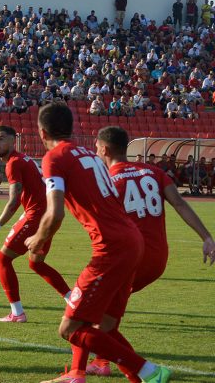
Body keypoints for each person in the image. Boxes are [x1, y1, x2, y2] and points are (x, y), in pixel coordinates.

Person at [24, 103, 172, 383]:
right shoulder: (87, 155)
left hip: (111, 248)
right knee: (103, 325)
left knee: (69, 327)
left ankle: (148, 371)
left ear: (41, 132)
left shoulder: (54, 157)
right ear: (72, 128)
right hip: (133, 241)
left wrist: (37, 239)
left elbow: (54, 213)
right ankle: (111, 376)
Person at [80, 127, 215, 379]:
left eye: (97, 146)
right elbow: (179, 203)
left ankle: (134, 372)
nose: (95, 150)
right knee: (106, 313)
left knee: (87, 314)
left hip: (130, 257)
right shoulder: (153, 171)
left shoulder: (109, 178)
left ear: (104, 149)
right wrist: (206, 237)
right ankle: (101, 362)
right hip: (158, 258)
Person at [0, 126, 71, 323]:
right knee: (36, 263)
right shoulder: (23, 159)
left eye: (1, 139)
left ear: (13, 141)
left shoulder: (13, 163)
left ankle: (17, 313)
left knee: (1, 259)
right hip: (48, 216)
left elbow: (13, 201)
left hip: (37, 217)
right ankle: (73, 300)